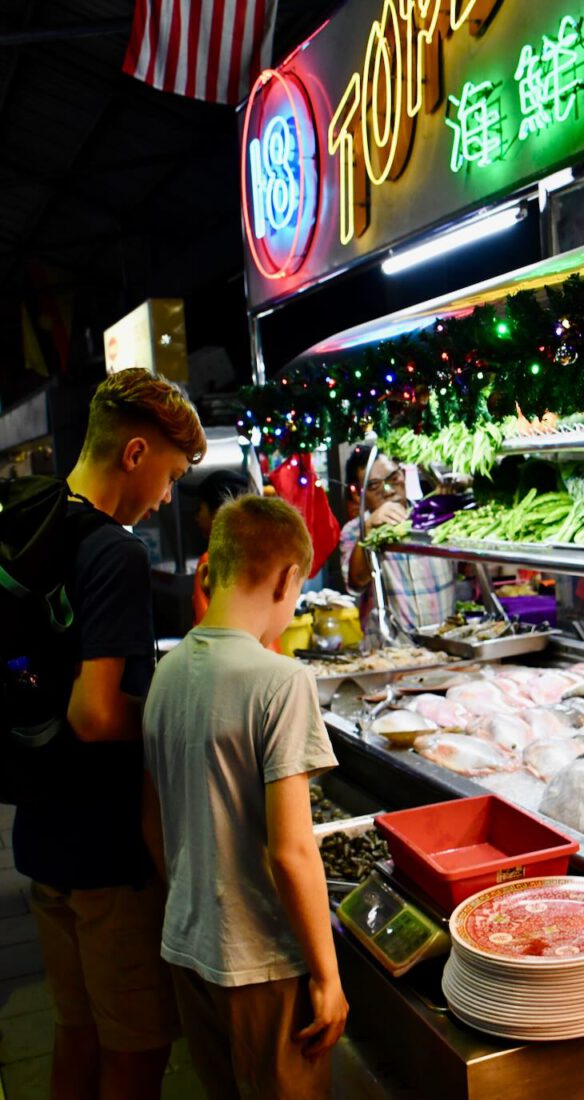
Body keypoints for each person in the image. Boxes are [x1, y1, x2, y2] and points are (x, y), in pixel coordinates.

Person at [12, 367, 206, 1100]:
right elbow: (95, 713)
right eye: (169, 475)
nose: (165, 496)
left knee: (77, 1031)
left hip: (40, 833)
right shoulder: (114, 551)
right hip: (105, 850)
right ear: (134, 453)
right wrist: (176, 717)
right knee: (135, 1049)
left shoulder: (36, 520)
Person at [142, 495, 348, 1100]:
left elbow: (150, 818)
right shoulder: (281, 681)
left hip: (188, 945)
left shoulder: (170, 668)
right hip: (262, 960)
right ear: (289, 578)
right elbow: (293, 851)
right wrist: (328, 977)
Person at [339, 447, 456, 641]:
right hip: (391, 652)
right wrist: (368, 530)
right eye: (375, 485)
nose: (388, 490)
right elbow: (356, 583)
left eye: (393, 478)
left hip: (445, 643)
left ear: (402, 473)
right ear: (359, 495)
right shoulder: (355, 530)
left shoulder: (433, 517)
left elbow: (468, 569)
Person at [188, 468, 252, 624]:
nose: (196, 517)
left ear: (218, 510)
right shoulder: (258, 553)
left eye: (200, 508)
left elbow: (206, 625)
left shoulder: (210, 560)